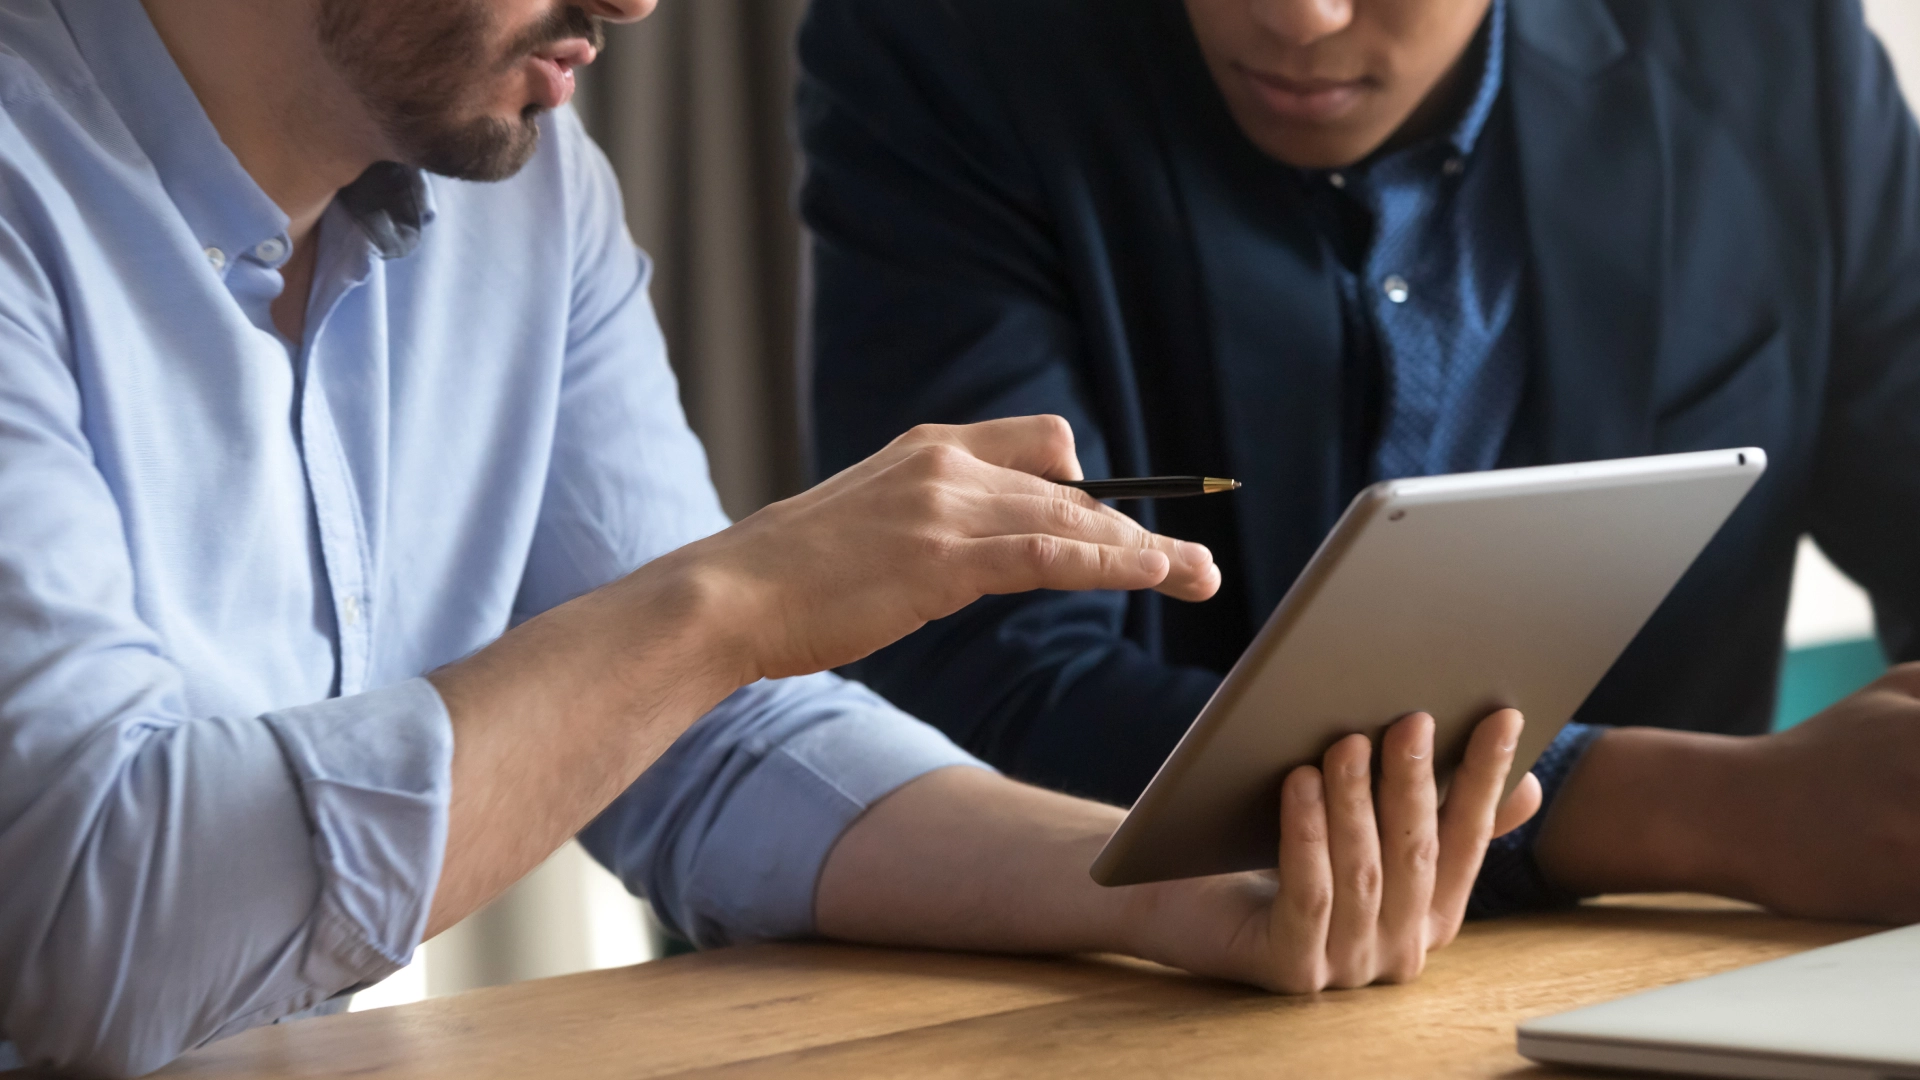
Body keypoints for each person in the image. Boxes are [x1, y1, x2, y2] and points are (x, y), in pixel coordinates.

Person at [0, 0, 1550, 1074]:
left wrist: (1160, 892)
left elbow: (697, 749)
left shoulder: (531, 208)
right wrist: (733, 602)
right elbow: (97, 936)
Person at [801, 0, 1920, 921]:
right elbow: (971, 679)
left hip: (1672, 978)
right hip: (1124, 996)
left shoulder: (1779, 51)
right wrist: (1699, 810)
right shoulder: (950, 52)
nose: (1299, 19)